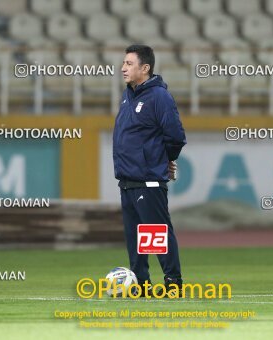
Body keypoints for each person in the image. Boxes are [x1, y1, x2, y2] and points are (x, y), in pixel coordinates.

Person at [112, 44, 186, 297]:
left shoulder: (159, 97)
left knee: (156, 234)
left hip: (148, 181)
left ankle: (173, 284)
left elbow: (175, 136)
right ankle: (141, 286)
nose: (123, 68)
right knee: (135, 239)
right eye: (123, 63)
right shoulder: (127, 95)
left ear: (145, 68)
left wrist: (165, 159)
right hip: (127, 181)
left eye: (129, 63)